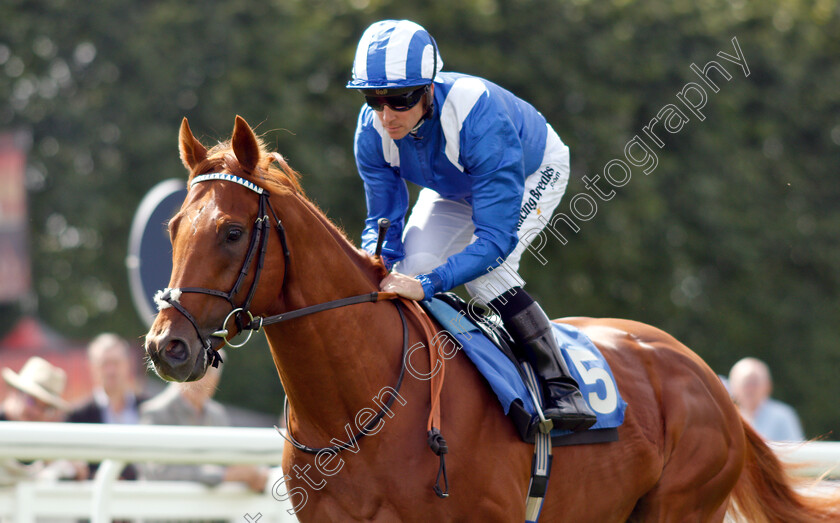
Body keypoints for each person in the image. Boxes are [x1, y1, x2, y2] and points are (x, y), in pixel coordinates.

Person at [347, 19, 595, 431]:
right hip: (453, 186)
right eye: (373, 99)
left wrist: (429, 284)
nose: (387, 116)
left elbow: (495, 240)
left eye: (401, 99)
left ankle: (562, 387)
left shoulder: (479, 117)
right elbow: (383, 221)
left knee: (488, 275)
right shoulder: (371, 130)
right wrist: (378, 264)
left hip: (533, 170)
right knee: (406, 270)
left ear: (428, 88)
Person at [138, 352, 268, 492]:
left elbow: (232, 456)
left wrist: (256, 473)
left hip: (210, 510)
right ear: (179, 372)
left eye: (208, 372)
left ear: (216, 380)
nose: (201, 380)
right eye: (195, 370)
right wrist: (225, 476)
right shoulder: (155, 412)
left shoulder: (217, 414)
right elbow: (159, 472)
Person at [68, 333, 149, 479]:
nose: (111, 371)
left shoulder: (150, 408)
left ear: (127, 364)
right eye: (104, 364)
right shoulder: (77, 415)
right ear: (92, 367)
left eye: (116, 363)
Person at [0, 356, 88, 484]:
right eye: (32, 400)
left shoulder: (49, 440)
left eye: (46, 408)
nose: (36, 412)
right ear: (15, 392)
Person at [728, 357, 805, 441]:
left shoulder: (783, 416)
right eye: (746, 383)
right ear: (732, 387)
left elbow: (796, 449)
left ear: (768, 386)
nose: (750, 389)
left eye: (754, 383)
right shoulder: (727, 418)